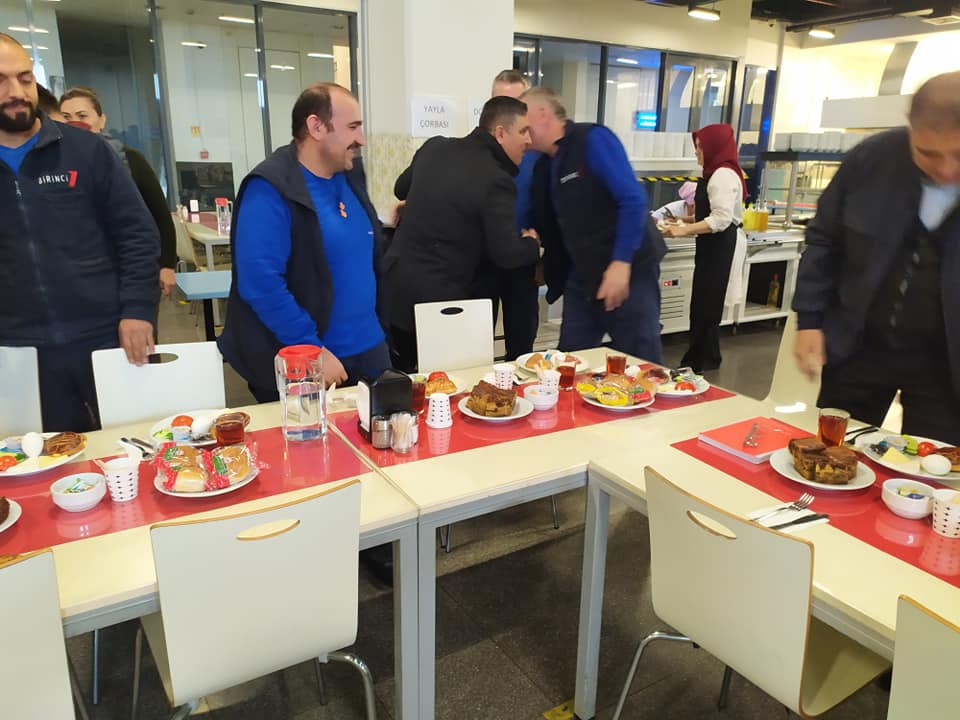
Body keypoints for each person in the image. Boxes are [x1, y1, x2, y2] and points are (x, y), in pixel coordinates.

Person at [0, 33, 159, 431]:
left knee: (134, 444)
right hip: (19, 350)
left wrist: (138, 309)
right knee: (48, 458)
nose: (16, 92)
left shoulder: (85, 151)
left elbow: (137, 233)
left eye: (24, 78)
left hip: (106, 334)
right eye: (1, 81)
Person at [792, 70, 960, 443]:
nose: (947, 170)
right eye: (928, 154)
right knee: (834, 450)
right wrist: (809, 320)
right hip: (858, 344)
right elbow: (824, 239)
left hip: (945, 363)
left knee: (936, 464)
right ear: (910, 129)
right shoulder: (871, 160)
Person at [218, 82, 389, 399]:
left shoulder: (350, 173)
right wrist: (313, 350)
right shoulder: (270, 188)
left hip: (369, 351)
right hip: (308, 361)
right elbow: (260, 283)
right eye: (352, 127)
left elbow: (354, 248)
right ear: (316, 127)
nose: (361, 139)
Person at [384, 96, 542, 371]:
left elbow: (401, 188)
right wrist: (532, 244)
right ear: (500, 133)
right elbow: (506, 254)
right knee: (447, 384)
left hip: (398, 294)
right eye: (523, 131)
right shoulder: (497, 179)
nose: (529, 140)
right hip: (442, 308)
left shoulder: (435, 146)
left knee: (406, 380)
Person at [523, 87, 665, 363]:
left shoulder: (592, 139)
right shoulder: (545, 164)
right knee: (571, 361)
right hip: (583, 277)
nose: (524, 135)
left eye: (525, 124)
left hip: (629, 270)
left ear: (542, 114)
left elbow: (633, 200)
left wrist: (621, 263)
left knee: (640, 359)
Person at [59, 87, 177, 304]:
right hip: (78, 279)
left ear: (101, 120)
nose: (74, 122)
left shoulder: (130, 159)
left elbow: (160, 215)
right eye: (66, 117)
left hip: (133, 271)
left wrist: (167, 265)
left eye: (82, 115)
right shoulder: (54, 167)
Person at [662, 124, 746, 372]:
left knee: (707, 303)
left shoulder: (722, 175)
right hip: (712, 243)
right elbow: (709, 213)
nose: (697, 151)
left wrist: (683, 230)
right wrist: (681, 221)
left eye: (700, 147)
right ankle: (703, 356)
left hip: (719, 244)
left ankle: (702, 360)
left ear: (714, 147)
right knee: (702, 301)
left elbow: (721, 219)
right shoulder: (717, 172)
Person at [490, 69, 542, 361]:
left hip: (523, 263)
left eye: (514, 103)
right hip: (483, 264)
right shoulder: (476, 151)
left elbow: (547, 209)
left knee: (522, 348)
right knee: (474, 342)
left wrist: (543, 257)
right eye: (498, 102)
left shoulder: (537, 153)